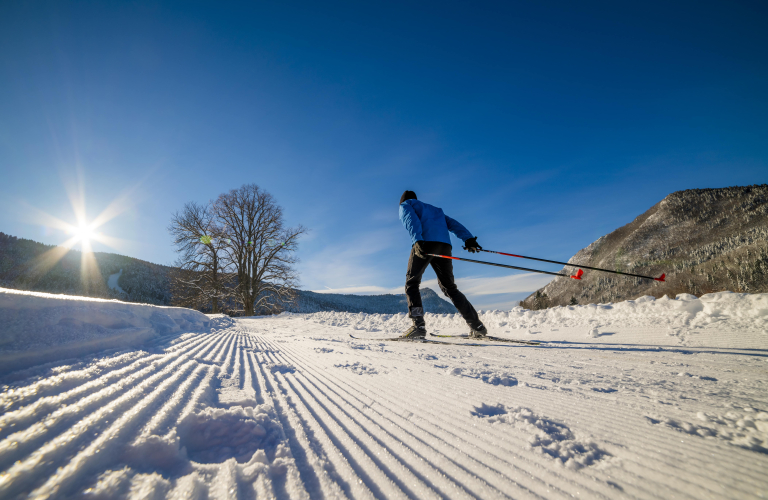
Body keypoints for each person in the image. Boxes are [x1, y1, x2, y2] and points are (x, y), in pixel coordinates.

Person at [398, 190, 488, 339]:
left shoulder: (405, 205)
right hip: (444, 246)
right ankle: (477, 326)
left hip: (424, 243)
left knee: (412, 283)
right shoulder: (435, 210)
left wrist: (417, 240)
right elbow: (453, 224)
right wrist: (468, 239)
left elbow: (411, 220)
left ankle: (418, 326)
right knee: (450, 288)